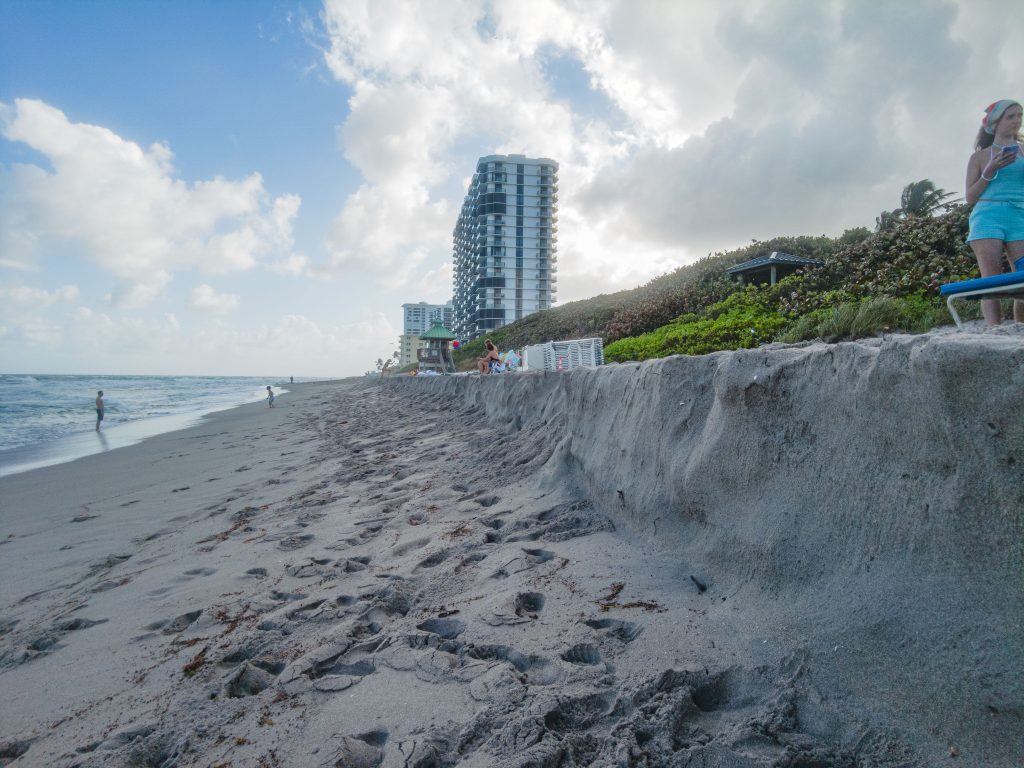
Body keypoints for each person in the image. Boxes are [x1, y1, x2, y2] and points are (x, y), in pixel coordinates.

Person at [965, 99, 1024, 326]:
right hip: (988, 217)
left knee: (1022, 279)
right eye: (1010, 116)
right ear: (995, 122)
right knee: (991, 279)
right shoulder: (979, 157)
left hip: (1019, 215)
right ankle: (994, 331)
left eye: (1019, 115)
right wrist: (991, 169)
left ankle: (1020, 330)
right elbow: (970, 197)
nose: (1017, 121)